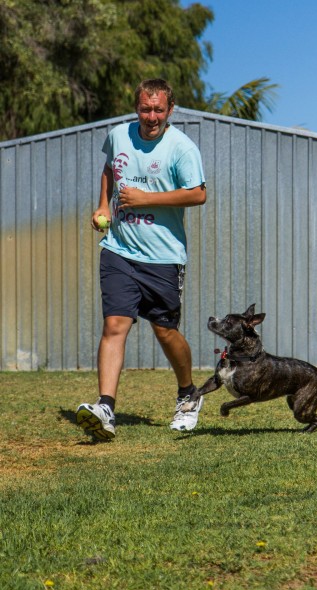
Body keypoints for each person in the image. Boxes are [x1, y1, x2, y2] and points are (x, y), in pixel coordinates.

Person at [76, 79, 206, 440]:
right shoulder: (118, 135)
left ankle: (188, 394)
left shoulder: (181, 148)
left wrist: (145, 200)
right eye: (145, 109)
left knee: (165, 331)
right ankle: (105, 408)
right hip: (118, 248)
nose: (151, 116)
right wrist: (104, 204)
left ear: (170, 110)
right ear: (137, 107)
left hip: (163, 256)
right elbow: (108, 170)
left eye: (158, 110)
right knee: (115, 325)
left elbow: (198, 194)